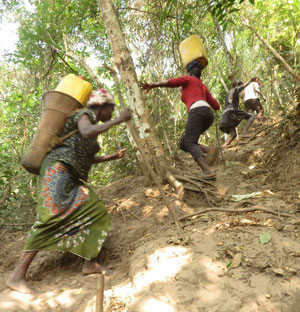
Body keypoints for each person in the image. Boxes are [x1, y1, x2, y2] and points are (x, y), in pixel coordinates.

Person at [6, 88, 131, 294]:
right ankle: (17, 276)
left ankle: (90, 263)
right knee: (49, 218)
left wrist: (112, 156)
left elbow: (86, 157)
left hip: (70, 176)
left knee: (96, 211)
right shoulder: (84, 115)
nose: (112, 113)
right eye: (112, 109)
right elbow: (86, 132)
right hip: (57, 170)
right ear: (103, 107)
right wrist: (118, 120)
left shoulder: (90, 124)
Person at [141, 60, 220, 180]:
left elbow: (171, 82)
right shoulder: (202, 86)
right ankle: (210, 150)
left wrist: (153, 85)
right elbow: (216, 106)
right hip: (208, 114)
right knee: (184, 143)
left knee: (190, 142)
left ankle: (208, 171)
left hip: (197, 111)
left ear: (189, 72)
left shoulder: (188, 79)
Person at [219, 78, 257, 147]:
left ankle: (221, 149)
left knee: (233, 135)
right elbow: (243, 86)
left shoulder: (229, 93)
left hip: (226, 114)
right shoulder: (235, 89)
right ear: (237, 85)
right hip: (231, 111)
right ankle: (244, 132)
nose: (241, 90)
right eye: (240, 86)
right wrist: (251, 80)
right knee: (252, 116)